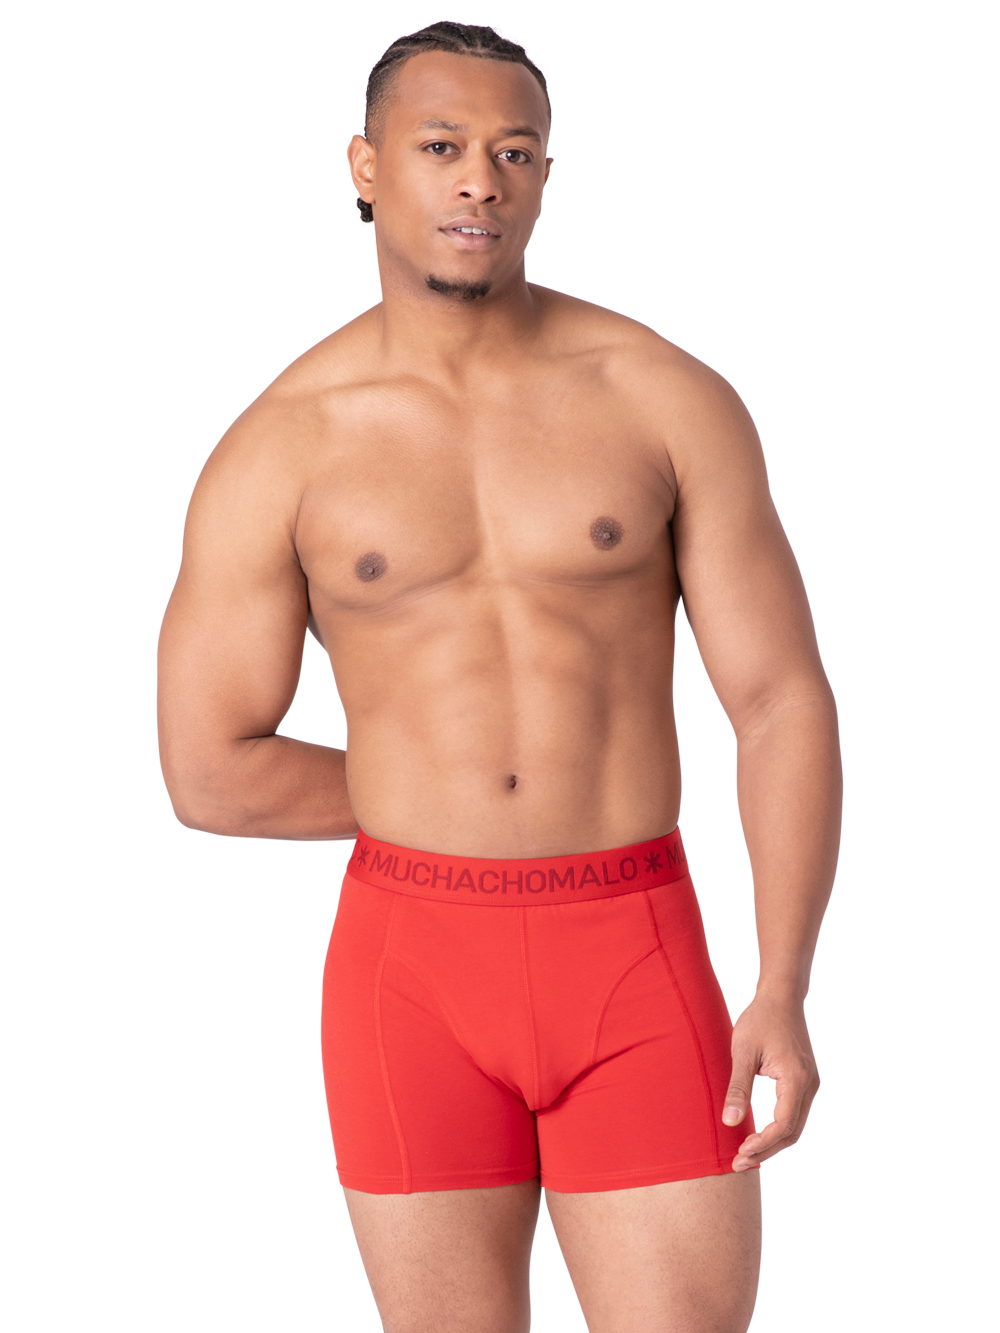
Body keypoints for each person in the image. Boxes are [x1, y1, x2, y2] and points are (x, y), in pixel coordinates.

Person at [157, 21, 842, 1333]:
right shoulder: (281, 447)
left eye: (514, 151)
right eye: (442, 146)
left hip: (633, 947)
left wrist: (784, 986)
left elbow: (778, 700)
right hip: (411, 969)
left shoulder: (663, 400)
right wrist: (432, 793)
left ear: (543, 176)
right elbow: (210, 769)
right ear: (367, 168)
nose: (481, 178)